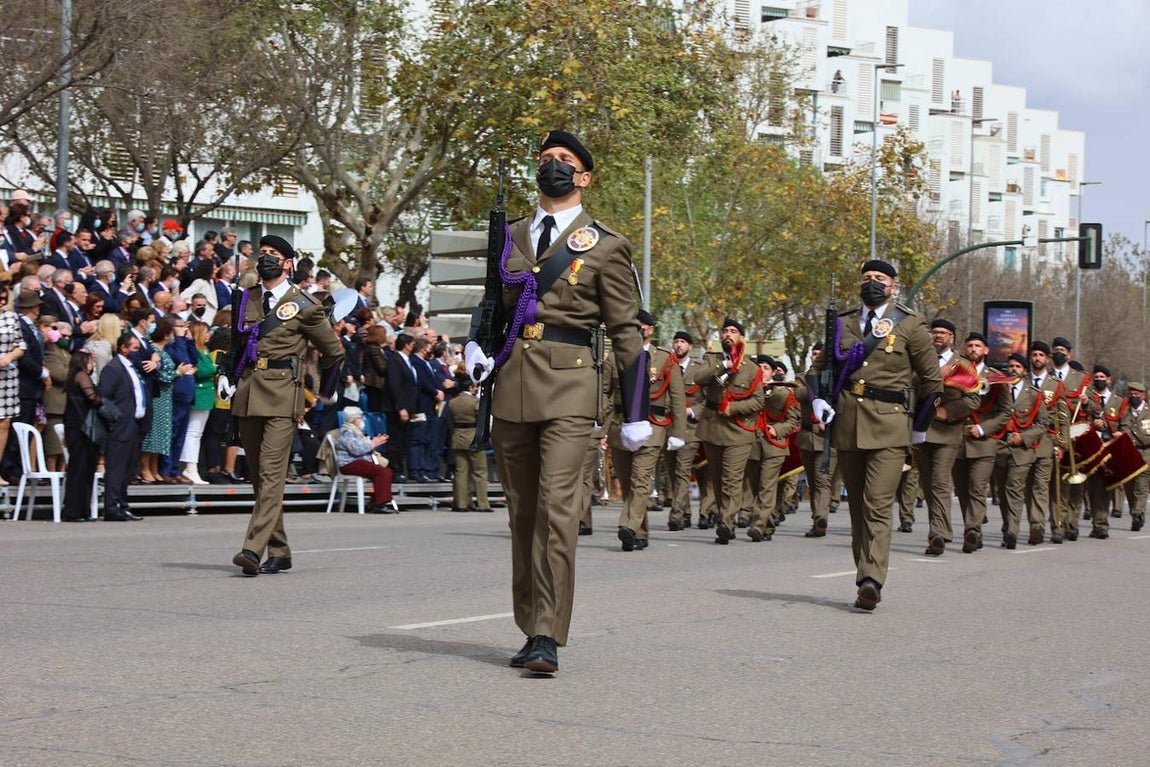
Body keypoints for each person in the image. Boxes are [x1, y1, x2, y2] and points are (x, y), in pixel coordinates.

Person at [464, 129, 650, 674]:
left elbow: (627, 333)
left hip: (571, 385)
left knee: (556, 508)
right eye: (546, 159)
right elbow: (491, 303)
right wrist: (477, 344)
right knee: (522, 513)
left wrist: (635, 412)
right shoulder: (513, 233)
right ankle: (529, 626)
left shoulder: (606, 244)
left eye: (564, 161)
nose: (553, 167)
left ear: (584, 177)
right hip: (512, 385)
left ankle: (548, 631)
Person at [812, 259, 942, 610]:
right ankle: (863, 575)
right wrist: (816, 400)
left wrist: (918, 429)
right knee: (857, 507)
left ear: (893, 286)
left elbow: (932, 382)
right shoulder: (841, 323)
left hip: (891, 425)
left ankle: (872, 579)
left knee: (877, 504)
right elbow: (819, 369)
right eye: (867, 278)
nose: (872, 283)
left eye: (879, 279)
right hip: (849, 425)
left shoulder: (910, 324)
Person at [218, 235, 344, 576]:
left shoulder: (304, 304)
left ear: (288, 263)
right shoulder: (247, 299)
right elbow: (238, 342)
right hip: (247, 392)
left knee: (272, 476)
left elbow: (334, 352)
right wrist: (226, 374)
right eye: (262, 254)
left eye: (273, 254)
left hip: (282, 395)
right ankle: (280, 550)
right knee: (261, 479)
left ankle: (251, 549)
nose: (266, 259)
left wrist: (326, 393)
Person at [608, 309, 685, 551]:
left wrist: (678, 433)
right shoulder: (615, 356)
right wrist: (600, 421)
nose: (638, 328)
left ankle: (628, 526)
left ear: (650, 329)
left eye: (643, 325)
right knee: (627, 480)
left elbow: (678, 397)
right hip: (620, 424)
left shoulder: (665, 358)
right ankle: (640, 533)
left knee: (641, 478)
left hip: (653, 425)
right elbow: (606, 392)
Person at [695, 318, 765, 545]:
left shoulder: (752, 369)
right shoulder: (712, 359)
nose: (728, 335)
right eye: (725, 331)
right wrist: (723, 366)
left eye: (733, 331)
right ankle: (724, 520)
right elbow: (698, 379)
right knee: (716, 478)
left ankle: (727, 522)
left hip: (738, 430)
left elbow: (758, 401)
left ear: (741, 337)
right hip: (712, 426)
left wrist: (733, 408)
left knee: (732, 479)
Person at [915, 318, 980, 556]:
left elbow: (973, 399)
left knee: (940, 482)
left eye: (943, 333)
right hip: (920, 430)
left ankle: (937, 535)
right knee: (927, 484)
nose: (938, 336)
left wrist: (947, 412)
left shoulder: (962, 366)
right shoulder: (921, 360)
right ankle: (944, 529)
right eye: (935, 332)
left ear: (952, 337)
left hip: (947, 432)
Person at [953, 332, 1010, 553]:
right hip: (957, 440)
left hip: (984, 442)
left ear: (986, 350)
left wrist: (983, 428)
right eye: (969, 346)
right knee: (962, 490)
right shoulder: (955, 372)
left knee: (978, 486)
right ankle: (974, 526)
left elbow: (1006, 411)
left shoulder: (996, 377)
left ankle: (972, 530)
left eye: (978, 346)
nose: (973, 349)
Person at [992, 354, 1050, 549]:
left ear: (1025, 370)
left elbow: (1043, 423)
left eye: (1018, 366)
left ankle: (1012, 533)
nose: (1013, 369)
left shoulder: (1033, 393)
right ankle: (1007, 526)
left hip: (1022, 450)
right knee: (1001, 492)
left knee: (1014, 489)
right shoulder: (998, 389)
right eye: (1010, 366)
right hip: (1000, 447)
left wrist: (1023, 438)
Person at [97, 334, 149, 521]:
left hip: (134, 425)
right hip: (119, 427)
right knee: (116, 468)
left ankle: (123, 503)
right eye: (134, 349)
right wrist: (115, 419)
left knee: (128, 469)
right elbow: (103, 398)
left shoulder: (132, 368)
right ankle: (111, 507)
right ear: (123, 348)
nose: (138, 352)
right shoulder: (113, 369)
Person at [140, 318, 195, 483]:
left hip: (166, 397)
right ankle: (145, 468)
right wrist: (178, 372)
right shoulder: (154, 351)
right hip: (157, 396)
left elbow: (191, 360)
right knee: (152, 435)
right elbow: (163, 373)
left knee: (161, 436)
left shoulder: (163, 351)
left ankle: (155, 468)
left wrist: (189, 340)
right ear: (166, 334)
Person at [666, 330, 710, 530]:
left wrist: (692, 411)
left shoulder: (699, 371)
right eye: (676, 342)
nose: (678, 345)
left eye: (682, 342)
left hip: (691, 429)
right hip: (669, 427)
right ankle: (685, 513)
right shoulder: (667, 367)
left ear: (690, 346)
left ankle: (676, 515)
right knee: (673, 473)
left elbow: (708, 400)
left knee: (683, 471)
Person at [799, 342, 837, 537]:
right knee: (812, 483)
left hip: (828, 438)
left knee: (823, 481)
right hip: (807, 438)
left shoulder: (836, 379)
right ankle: (817, 518)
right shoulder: (804, 378)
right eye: (814, 354)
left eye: (819, 354)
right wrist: (816, 390)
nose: (816, 357)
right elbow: (799, 394)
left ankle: (821, 517)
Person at [62, 350, 104, 521]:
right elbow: (92, 397)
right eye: (90, 362)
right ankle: (74, 510)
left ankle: (81, 509)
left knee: (83, 469)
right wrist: (104, 400)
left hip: (76, 426)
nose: (92, 365)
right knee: (80, 469)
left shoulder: (72, 378)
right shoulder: (81, 376)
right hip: (81, 427)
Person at [334, 406, 397, 514]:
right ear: (354, 419)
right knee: (382, 472)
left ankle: (375, 500)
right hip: (349, 463)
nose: (362, 420)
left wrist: (373, 442)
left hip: (356, 461)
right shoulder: (347, 432)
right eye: (360, 418)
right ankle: (380, 503)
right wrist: (373, 443)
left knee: (384, 470)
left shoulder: (355, 431)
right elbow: (356, 450)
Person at [177, 321, 217, 484]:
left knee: (196, 433)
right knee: (193, 433)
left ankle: (191, 467)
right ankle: (189, 468)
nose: (209, 335)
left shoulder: (205, 350)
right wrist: (215, 368)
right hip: (198, 395)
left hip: (206, 395)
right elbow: (202, 370)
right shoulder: (196, 351)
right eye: (206, 332)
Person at [447, 377, 490, 512]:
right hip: (473, 437)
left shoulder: (452, 402)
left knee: (461, 472)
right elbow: (482, 421)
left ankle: (461, 503)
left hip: (458, 437)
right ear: (470, 387)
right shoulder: (475, 402)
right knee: (480, 472)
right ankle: (483, 504)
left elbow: (449, 422)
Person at [0, 285, 25, 485]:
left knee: (4, 422)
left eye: (3, 298)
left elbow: (21, 344)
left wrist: (10, 356)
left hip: (7, 376)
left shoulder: (11, 317)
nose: (1, 302)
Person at [1119, 383, 1150, 532]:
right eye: (1131, 394)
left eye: (1137, 394)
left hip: (1146, 455)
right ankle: (1135, 513)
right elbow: (1123, 429)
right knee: (1129, 487)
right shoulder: (1125, 412)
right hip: (1129, 455)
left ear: (1143, 395)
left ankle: (1138, 514)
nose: (1134, 396)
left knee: (1141, 487)